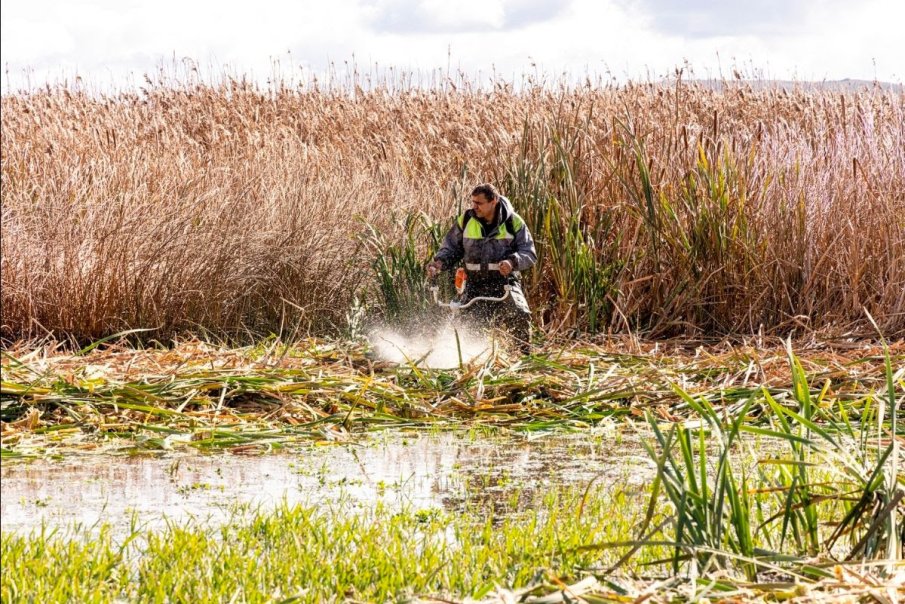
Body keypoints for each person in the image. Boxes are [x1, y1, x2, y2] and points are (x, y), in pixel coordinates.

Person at [426, 183, 537, 354]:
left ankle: (523, 356)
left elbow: (529, 253)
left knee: (520, 313)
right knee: (468, 326)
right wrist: (439, 263)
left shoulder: (513, 222)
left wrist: (512, 262)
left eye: (479, 203)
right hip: (474, 284)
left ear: (494, 201)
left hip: (505, 283)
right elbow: (451, 248)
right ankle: (473, 359)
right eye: (473, 202)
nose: (474, 206)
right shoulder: (465, 220)